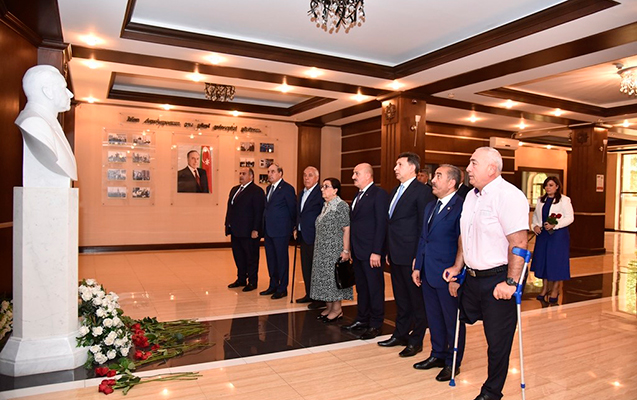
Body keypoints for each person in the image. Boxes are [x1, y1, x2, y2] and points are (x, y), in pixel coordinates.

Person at [443, 147, 529, 400]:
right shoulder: (471, 196)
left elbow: (519, 243)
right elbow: (465, 235)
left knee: (497, 340)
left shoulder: (509, 195)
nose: (468, 169)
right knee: (460, 316)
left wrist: (511, 282)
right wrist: (457, 267)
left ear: (492, 169)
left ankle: (492, 392)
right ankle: (449, 361)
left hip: (498, 278)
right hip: (472, 277)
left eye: (473, 163)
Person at [412, 164, 466, 382]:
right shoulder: (431, 206)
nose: (433, 180)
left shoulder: (461, 207)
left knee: (452, 320)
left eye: (438, 176)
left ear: (451, 183)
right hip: (428, 271)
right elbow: (423, 238)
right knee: (434, 317)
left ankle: (453, 362)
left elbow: (464, 243)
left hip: (447, 274)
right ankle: (437, 354)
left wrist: (457, 276)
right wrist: (418, 266)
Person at [380, 152, 434, 358]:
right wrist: (387, 249)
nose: (395, 168)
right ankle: (400, 334)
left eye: (399, 164)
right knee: (401, 298)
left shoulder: (422, 192)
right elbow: (391, 223)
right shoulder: (395, 190)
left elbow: (423, 227)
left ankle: (416, 340)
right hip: (395, 253)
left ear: (412, 167)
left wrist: (418, 257)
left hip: (411, 255)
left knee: (416, 300)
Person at [342, 163, 389, 340]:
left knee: (374, 288)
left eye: (356, 173)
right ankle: (362, 319)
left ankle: (376, 323)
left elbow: (381, 224)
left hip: (371, 253)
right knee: (362, 288)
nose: (353, 177)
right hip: (359, 251)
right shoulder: (358, 195)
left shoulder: (379, 194)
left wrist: (377, 251)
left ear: (368, 175)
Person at [15, 65, 77, 188]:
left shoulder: (48, 122)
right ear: (48, 92)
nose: (70, 94)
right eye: (63, 88)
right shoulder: (33, 123)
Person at [310, 178, 352, 322]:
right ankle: (329, 307)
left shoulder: (341, 206)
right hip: (322, 250)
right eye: (322, 186)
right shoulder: (326, 205)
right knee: (325, 280)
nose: (322, 189)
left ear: (335, 190)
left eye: (326, 186)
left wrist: (346, 250)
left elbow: (346, 229)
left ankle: (337, 310)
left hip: (334, 249)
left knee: (334, 280)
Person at [531, 176, 574, 304]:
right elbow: (536, 217)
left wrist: (555, 225)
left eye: (551, 185)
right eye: (546, 185)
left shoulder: (564, 200)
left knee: (556, 262)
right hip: (543, 235)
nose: (548, 188)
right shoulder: (541, 200)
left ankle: (555, 289)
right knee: (544, 261)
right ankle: (544, 288)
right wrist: (535, 226)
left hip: (558, 235)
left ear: (557, 186)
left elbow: (570, 218)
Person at [225, 167, 266, 292]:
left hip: (249, 232)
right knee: (239, 256)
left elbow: (259, 212)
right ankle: (241, 279)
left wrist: (256, 229)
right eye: (240, 173)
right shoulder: (235, 189)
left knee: (251, 258)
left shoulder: (257, 191)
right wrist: (228, 224)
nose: (241, 176)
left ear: (251, 176)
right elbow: (230, 208)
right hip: (235, 230)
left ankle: (252, 281)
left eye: (244, 173)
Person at [261, 163, 296, 299]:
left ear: (280, 173)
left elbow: (292, 209)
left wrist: (292, 227)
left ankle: (282, 288)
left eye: (273, 171)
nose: (269, 174)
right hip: (269, 230)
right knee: (271, 259)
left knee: (281, 260)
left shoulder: (287, 189)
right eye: (268, 172)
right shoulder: (268, 188)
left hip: (281, 231)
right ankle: (273, 285)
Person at [295, 166, 326, 309]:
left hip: (316, 236)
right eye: (304, 175)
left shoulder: (321, 193)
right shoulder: (301, 193)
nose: (306, 178)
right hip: (303, 235)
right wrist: (296, 227)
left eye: (310, 175)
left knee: (317, 269)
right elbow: (299, 213)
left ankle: (319, 299)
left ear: (317, 178)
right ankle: (309, 294)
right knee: (306, 267)